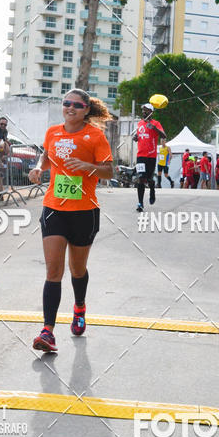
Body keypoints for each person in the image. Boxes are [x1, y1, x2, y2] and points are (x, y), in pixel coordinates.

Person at [28, 88, 113, 353]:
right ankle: (48, 332)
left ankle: (79, 306)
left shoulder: (96, 136)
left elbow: (110, 171)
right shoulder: (53, 132)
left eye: (76, 105)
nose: (70, 108)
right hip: (54, 208)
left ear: (86, 109)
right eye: (66, 103)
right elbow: (46, 158)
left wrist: (90, 167)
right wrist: (38, 169)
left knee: (77, 270)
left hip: (84, 211)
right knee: (54, 272)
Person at [133, 103, 166, 211]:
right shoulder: (139, 123)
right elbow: (140, 135)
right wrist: (136, 137)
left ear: (151, 112)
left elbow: (164, 136)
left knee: (149, 179)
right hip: (141, 156)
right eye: (143, 110)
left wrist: (154, 128)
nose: (143, 112)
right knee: (141, 179)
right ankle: (140, 203)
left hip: (151, 156)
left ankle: (152, 189)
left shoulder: (156, 123)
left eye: (146, 110)